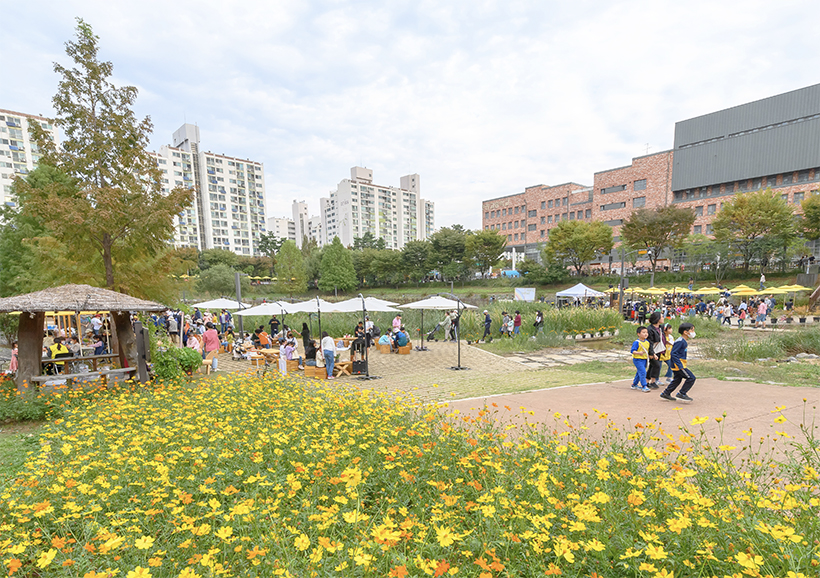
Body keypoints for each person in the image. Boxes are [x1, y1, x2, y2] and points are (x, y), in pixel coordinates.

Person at [660, 322, 696, 402]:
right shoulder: (680, 341)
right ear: (685, 332)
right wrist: (679, 365)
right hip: (678, 365)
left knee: (677, 379)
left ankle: (666, 393)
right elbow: (673, 353)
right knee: (691, 378)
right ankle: (682, 393)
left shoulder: (683, 341)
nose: (693, 332)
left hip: (680, 364)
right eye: (692, 330)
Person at [630, 326, 651, 393]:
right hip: (637, 359)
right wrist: (639, 353)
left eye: (646, 332)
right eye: (643, 332)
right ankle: (644, 386)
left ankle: (634, 384)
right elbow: (632, 351)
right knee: (643, 372)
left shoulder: (647, 342)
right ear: (638, 334)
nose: (646, 334)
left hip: (644, 360)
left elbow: (649, 350)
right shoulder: (637, 342)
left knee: (639, 372)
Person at [645, 312, 662, 390]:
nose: (663, 318)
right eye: (661, 317)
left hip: (659, 349)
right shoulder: (650, 329)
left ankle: (647, 381)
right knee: (656, 365)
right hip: (653, 350)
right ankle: (653, 381)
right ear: (657, 319)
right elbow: (650, 342)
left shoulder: (660, 328)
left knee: (652, 366)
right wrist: (652, 353)